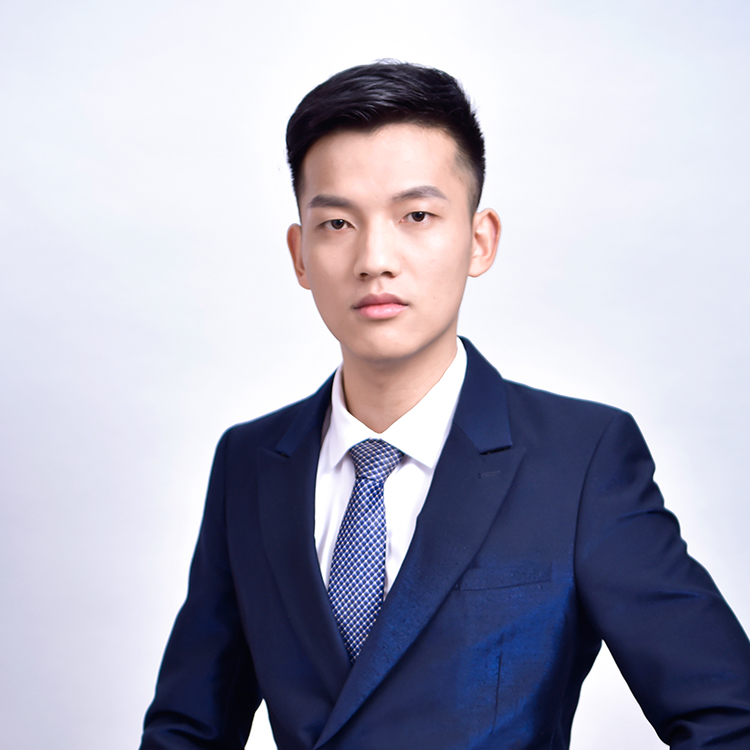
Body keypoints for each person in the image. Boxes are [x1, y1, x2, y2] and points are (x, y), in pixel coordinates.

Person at [139, 62, 750, 749]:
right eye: (337, 222)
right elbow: (188, 729)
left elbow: (729, 717)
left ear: (479, 240)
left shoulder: (580, 459)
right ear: (300, 254)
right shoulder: (251, 462)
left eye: (417, 216)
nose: (375, 258)